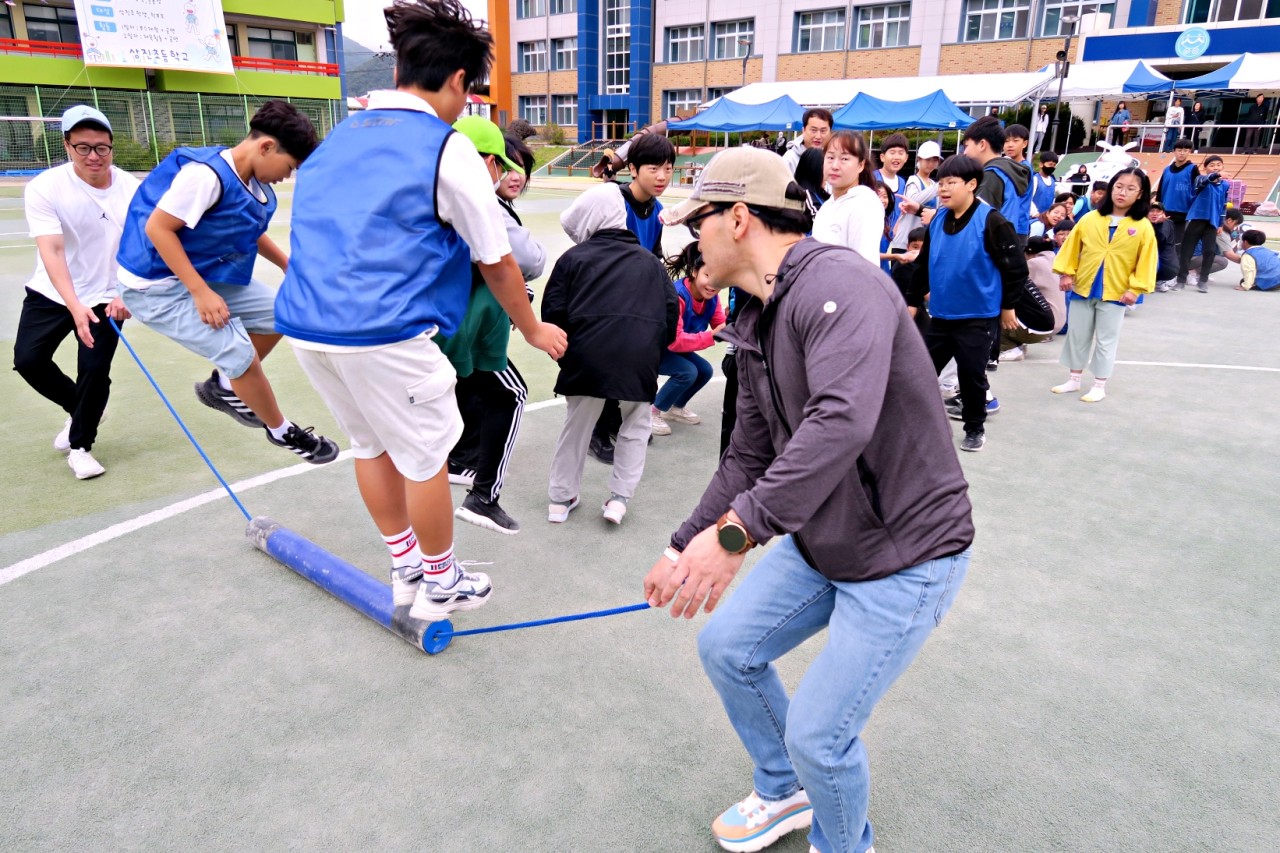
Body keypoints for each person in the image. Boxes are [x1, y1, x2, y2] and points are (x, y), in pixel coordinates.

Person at [648, 146, 974, 853]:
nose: (689, 237)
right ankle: (782, 789)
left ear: (737, 218)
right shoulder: (760, 314)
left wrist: (735, 535)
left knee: (821, 734)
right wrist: (686, 541)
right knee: (728, 649)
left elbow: (840, 420)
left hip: (907, 553)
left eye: (697, 220)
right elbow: (749, 453)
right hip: (826, 540)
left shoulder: (838, 283)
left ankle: (844, 842)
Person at [273, 0, 568, 622]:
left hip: (306, 323)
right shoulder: (445, 145)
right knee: (426, 455)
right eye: (470, 92)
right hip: (380, 329)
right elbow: (496, 257)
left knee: (370, 446)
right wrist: (533, 327)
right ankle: (441, 581)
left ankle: (406, 564)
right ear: (459, 80)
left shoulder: (341, 136)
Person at [115, 100, 340, 466]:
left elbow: (248, 229)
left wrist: (287, 264)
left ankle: (222, 387)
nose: (287, 176)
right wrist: (200, 292)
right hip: (156, 287)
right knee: (240, 354)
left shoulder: (250, 178)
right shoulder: (206, 176)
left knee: (281, 313)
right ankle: (282, 431)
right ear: (266, 147)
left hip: (199, 273)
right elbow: (158, 228)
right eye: (289, 166)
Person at [13, 105, 140, 481]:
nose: (93, 156)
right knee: (29, 360)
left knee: (95, 371)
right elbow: (51, 249)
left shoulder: (132, 189)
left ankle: (81, 445)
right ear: (67, 146)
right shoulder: (45, 187)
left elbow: (143, 247)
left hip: (106, 294)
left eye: (102, 147)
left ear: (112, 148)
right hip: (53, 292)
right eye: (83, 147)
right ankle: (82, 408)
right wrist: (74, 305)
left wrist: (125, 293)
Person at [543, 184, 678, 526]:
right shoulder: (651, 262)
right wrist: (653, 352)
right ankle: (619, 500)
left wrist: (566, 355)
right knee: (636, 425)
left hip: (585, 355)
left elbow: (553, 311)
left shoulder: (572, 259)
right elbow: (670, 312)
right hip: (640, 357)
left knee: (576, 427)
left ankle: (560, 499)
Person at [439, 123, 542, 536]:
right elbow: (524, 260)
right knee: (511, 392)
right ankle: (483, 495)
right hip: (463, 330)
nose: (512, 174)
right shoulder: (481, 205)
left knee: (462, 394)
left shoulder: (434, 195)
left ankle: (459, 460)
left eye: (522, 168)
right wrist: (531, 324)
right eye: (505, 164)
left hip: (443, 328)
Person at [563, 132, 676, 465]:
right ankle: (596, 432)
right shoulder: (611, 199)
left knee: (629, 358)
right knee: (603, 360)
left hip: (635, 296)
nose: (662, 177)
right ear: (634, 168)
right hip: (601, 295)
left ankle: (613, 419)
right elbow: (575, 229)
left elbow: (653, 255)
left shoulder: (657, 211)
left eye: (668, 169)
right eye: (654, 168)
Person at [912, 154, 1026, 452]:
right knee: (919, 370)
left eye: (951, 183)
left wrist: (1008, 307)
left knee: (971, 376)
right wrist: (912, 301)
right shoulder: (938, 219)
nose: (943, 189)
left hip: (977, 316)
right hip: (941, 315)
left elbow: (1015, 267)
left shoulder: (992, 220)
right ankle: (914, 423)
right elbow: (923, 265)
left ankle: (974, 428)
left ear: (972, 184)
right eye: (940, 183)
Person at [1051, 168, 1156, 403]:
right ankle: (1074, 379)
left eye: (1131, 188)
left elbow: (1147, 260)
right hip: (1083, 286)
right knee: (1078, 334)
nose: (1122, 192)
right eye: (1119, 186)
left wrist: (1135, 289)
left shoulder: (1142, 226)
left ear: (1140, 194)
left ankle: (1099, 384)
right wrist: (1066, 273)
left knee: (1107, 338)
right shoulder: (1090, 219)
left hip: (1117, 291)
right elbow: (1072, 248)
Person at [651, 242, 725, 435]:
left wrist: (734, 322)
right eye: (707, 276)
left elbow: (720, 325)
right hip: (653, 349)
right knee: (688, 372)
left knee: (705, 370)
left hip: (673, 349)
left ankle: (676, 407)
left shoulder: (713, 298)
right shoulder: (678, 296)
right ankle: (652, 412)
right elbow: (675, 341)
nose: (712, 284)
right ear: (694, 272)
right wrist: (712, 335)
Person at [811, 130, 883, 266]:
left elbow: (865, 265)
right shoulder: (828, 206)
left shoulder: (864, 204)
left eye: (844, 159)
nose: (835, 166)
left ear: (860, 165)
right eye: (830, 157)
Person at [962, 116, 1031, 245]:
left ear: (982, 144)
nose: (964, 152)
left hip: (992, 248)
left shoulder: (991, 176)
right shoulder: (1006, 171)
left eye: (966, 146)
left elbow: (974, 221)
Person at [1001, 236, 1066, 361]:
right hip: (1060, 320)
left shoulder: (1033, 263)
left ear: (1029, 251)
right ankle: (1020, 343)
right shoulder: (1057, 261)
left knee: (1002, 310)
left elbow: (1016, 285)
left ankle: (1009, 347)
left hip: (1044, 321)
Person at [1175, 154, 1227, 293]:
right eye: (1211, 165)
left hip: (1212, 222)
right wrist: (1214, 175)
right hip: (1197, 219)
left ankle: (1203, 280)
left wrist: (1221, 223)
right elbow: (1203, 182)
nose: (1215, 167)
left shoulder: (1225, 185)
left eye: (1218, 165)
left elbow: (1223, 205)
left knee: (1209, 251)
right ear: (1205, 168)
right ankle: (1180, 280)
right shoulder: (1200, 179)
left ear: (1223, 166)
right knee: (1187, 250)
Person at [892, 139, 941, 251]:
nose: (931, 163)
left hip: (923, 243)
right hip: (905, 243)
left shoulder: (934, 184)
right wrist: (938, 186)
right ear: (919, 159)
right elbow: (913, 201)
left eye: (935, 160)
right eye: (927, 160)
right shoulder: (913, 180)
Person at [1155, 138, 1198, 247]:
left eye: (1185, 150)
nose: (1182, 153)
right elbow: (1160, 191)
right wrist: (1157, 208)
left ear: (1189, 152)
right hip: (1165, 211)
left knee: (1177, 243)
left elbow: (1197, 190)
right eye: (1179, 150)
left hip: (1183, 212)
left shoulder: (1193, 169)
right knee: (1161, 240)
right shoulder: (1166, 170)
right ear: (1174, 151)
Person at [781, 108, 833, 174]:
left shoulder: (834, 158)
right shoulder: (790, 159)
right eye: (813, 130)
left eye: (823, 131)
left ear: (830, 132)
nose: (818, 136)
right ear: (804, 130)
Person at [1148, 202, 1180, 289]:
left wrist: (1157, 224)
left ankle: (1158, 280)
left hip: (1166, 267)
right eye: (1151, 211)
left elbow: (1160, 240)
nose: (1154, 213)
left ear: (1163, 213)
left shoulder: (1166, 223)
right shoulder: (1144, 223)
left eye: (1158, 211)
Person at [793, 146, 829, 215]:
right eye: (825, 170)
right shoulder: (806, 196)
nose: (827, 177)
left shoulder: (821, 194)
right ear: (816, 171)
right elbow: (817, 218)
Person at [1031, 151, 1059, 216]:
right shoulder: (1035, 179)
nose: (1052, 167)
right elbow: (1029, 199)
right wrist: (1035, 213)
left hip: (1047, 218)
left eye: (1054, 165)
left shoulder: (1052, 181)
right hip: (1034, 218)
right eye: (1050, 164)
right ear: (1041, 164)